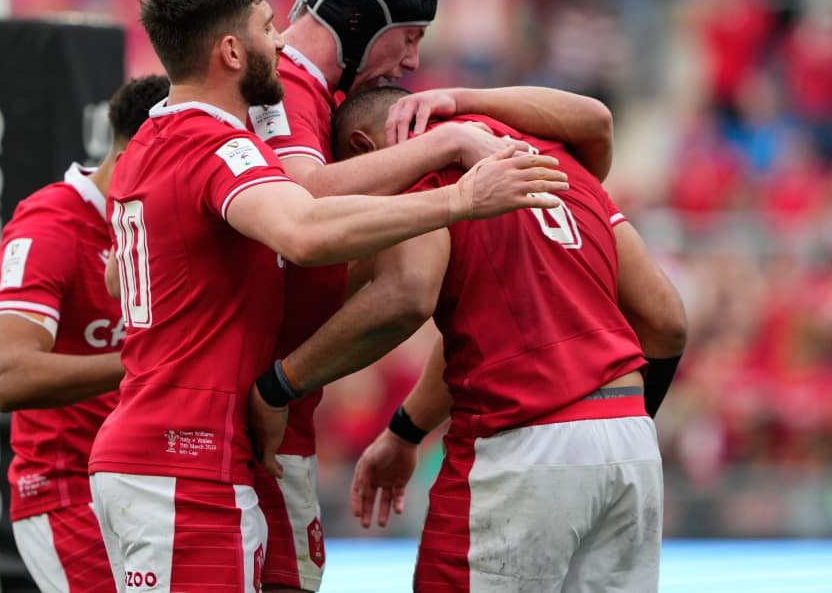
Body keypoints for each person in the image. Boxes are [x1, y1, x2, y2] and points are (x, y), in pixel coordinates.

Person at [86, 0, 570, 593]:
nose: (281, 41)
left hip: (167, 449)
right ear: (231, 52)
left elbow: (128, 280)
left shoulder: (149, 142)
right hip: (185, 456)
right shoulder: (216, 145)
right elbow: (305, 229)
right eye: (267, 26)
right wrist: (457, 198)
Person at [245, 0, 613, 591]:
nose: (414, 60)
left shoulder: (335, 100)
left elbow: (594, 119)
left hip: (277, 413)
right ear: (359, 20)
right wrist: (450, 158)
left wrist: (464, 101)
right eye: (408, 36)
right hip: (250, 414)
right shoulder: (288, 83)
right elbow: (301, 205)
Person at [251, 85, 687, 592]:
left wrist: (280, 384)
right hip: (629, 441)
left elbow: (406, 297)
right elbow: (666, 320)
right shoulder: (556, 158)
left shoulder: (418, 172)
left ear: (365, 150)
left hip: (523, 441)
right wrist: (405, 432)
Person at [0, 74, 171, 593]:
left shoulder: (166, 221)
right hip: (71, 496)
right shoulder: (49, 228)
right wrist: (150, 360)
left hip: (150, 485)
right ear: (140, 149)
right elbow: (10, 376)